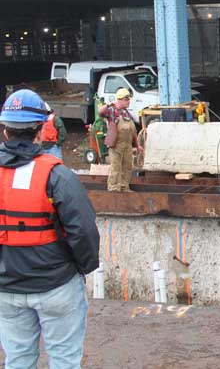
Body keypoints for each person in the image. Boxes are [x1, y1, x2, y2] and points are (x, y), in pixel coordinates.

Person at [0, 89, 100, 369]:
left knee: (18, 359)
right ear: (41, 131)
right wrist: (82, 267)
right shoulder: (58, 176)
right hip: (56, 285)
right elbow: (83, 232)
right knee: (64, 361)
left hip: (6, 289)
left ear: (6, 131)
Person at [98, 88, 140, 192]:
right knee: (116, 167)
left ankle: (124, 187)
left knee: (127, 167)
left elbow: (133, 130)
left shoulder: (126, 113)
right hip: (116, 145)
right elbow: (100, 112)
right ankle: (113, 188)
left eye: (129, 99)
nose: (129, 101)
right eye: (127, 99)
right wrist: (109, 104)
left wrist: (137, 145)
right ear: (120, 99)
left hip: (127, 145)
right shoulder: (112, 110)